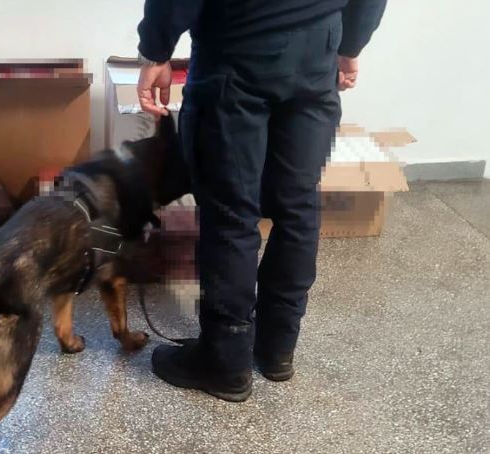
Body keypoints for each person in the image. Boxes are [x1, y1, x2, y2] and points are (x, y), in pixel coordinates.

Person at [136, 0, 387, 402]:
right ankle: (276, 348)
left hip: (237, 49)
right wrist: (351, 44)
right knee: (297, 206)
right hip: (316, 49)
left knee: (231, 214)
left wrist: (156, 50)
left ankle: (226, 362)